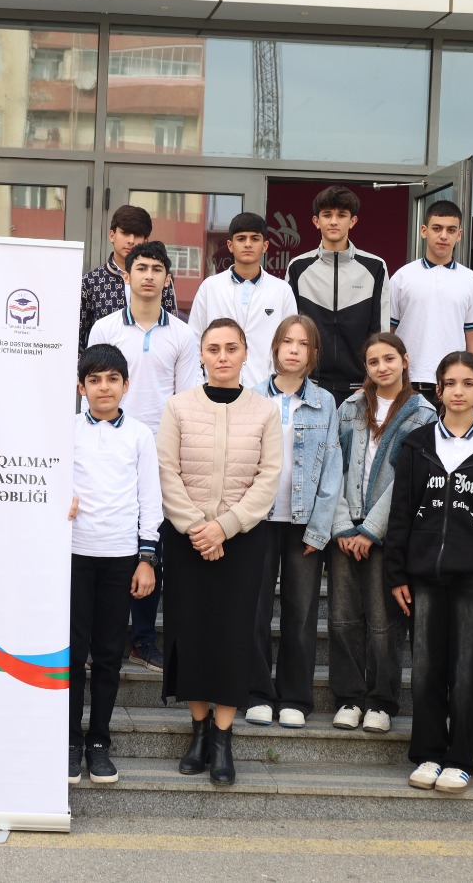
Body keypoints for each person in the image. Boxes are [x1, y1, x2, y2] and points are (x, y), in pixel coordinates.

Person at [385, 350, 473, 794]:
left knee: (467, 670)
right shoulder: (418, 445)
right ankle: (428, 752)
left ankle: (460, 758)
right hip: (424, 576)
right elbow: (400, 513)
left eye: (468, 383)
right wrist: (396, 573)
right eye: (450, 383)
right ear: (438, 389)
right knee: (426, 667)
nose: (458, 391)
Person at [159, 318, 283, 786]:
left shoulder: (265, 411)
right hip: (187, 538)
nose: (223, 356)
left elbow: (269, 478)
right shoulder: (178, 407)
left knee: (233, 637)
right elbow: (166, 471)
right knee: (191, 633)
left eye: (232, 348)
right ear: (202, 355)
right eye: (214, 348)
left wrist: (224, 528)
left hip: (242, 540)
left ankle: (223, 739)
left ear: (246, 353)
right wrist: (199, 528)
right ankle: (198, 732)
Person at [84, 240, 197, 673]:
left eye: (157, 269)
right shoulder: (105, 328)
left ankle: (143, 639)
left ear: (168, 279)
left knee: (153, 545)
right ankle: (99, 638)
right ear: (127, 275)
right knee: (107, 542)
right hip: (108, 447)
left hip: (160, 451)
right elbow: (92, 390)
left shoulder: (183, 334)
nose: (148, 276)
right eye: (141, 268)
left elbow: (186, 400)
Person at [328, 333, 436, 735]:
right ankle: (349, 697)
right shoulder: (350, 407)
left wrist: (371, 530)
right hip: (344, 530)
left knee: (382, 621)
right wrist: (342, 525)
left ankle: (381, 700)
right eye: (373, 362)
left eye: (389, 359)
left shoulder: (423, 414)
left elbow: (410, 479)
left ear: (405, 360)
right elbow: (332, 466)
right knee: (341, 618)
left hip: (386, 533)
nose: (382, 367)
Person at [67, 344, 161, 784]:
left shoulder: (140, 435)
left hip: (121, 557)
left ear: (125, 384)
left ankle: (99, 741)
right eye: (94, 380)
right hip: (73, 556)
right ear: (81, 387)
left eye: (112, 379)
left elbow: (150, 499)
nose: (103, 387)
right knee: (72, 653)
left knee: (107, 655)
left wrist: (147, 558)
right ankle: (69, 741)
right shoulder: (66, 432)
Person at [246, 315, 341, 728]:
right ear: (275, 347)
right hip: (258, 520)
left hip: (304, 523)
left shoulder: (325, 402)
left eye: (303, 344)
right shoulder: (251, 398)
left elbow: (332, 468)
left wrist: (320, 528)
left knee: (300, 614)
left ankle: (295, 699)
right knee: (255, 611)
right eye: (287, 341)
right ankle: (256, 692)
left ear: (313, 353)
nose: (294, 350)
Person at [286, 185, 391, 408]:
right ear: (316, 221)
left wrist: (371, 383)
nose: (334, 221)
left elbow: (380, 332)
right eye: (327, 215)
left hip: (360, 388)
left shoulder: (375, 267)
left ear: (353, 221)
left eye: (341, 215)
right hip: (309, 385)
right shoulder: (298, 267)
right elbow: (289, 329)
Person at [186, 212, 297, 389]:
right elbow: (194, 341)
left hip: (266, 391)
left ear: (265, 246)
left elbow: (290, 343)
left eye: (255, 239)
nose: (248, 244)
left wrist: (277, 388)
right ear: (230, 245)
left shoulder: (281, 290)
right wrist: (202, 385)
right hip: (215, 389)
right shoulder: (210, 287)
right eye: (241, 238)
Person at [387, 201, 473, 399]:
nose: (443, 236)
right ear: (424, 231)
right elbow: (388, 333)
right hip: (406, 382)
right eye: (437, 228)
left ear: (459, 234)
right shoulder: (401, 277)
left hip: (453, 383)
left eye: (451, 230)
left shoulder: (471, 280)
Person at [79, 205, 178, 350]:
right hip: (104, 362)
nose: (131, 240)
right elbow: (79, 336)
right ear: (112, 235)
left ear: (146, 240)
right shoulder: (91, 281)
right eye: (125, 233)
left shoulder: (158, 279)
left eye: (137, 235)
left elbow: (172, 326)